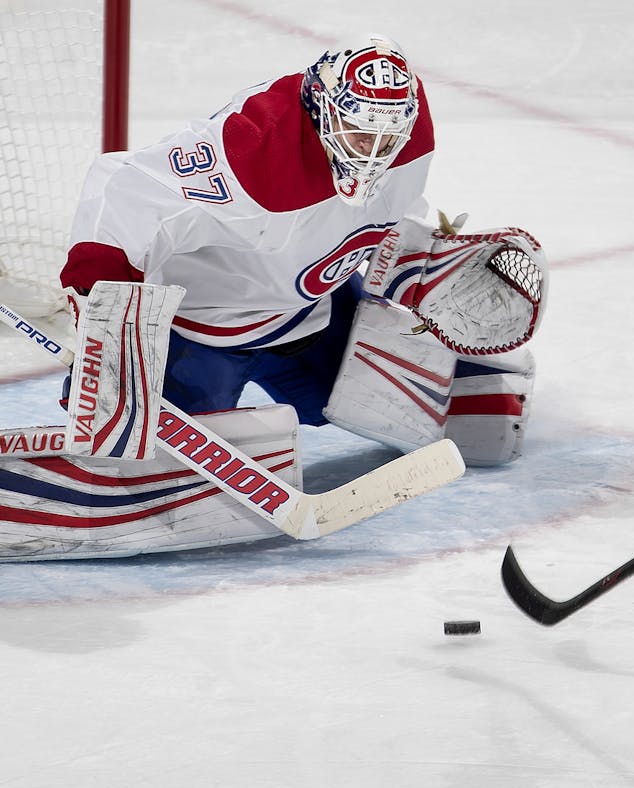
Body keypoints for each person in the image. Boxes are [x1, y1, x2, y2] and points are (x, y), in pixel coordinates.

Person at [60, 33, 543, 469]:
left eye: (387, 138)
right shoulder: (251, 151)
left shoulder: (408, 135)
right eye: (359, 134)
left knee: (468, 414)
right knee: (142, 465)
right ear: (322, 109)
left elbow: (368, 216)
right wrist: (103, 306)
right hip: (197, 334)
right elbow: (126, 186)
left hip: (315, 309)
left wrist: (413, 260)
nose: (374, 153)